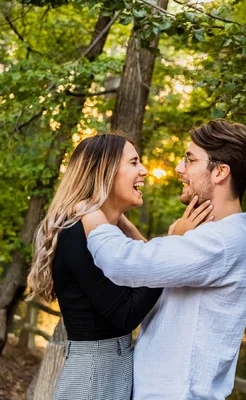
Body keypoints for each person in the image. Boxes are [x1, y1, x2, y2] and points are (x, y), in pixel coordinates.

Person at [81, 119, 246, 399]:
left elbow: (119, 262)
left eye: (189, 159)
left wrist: (88, 209)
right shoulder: (219, 234)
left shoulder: (222, 242)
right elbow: (158, 269)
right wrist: (126, 224)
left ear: (220, 172)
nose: (179, 168)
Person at [27, 133, 209, 399]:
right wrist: (173, 245)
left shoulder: (108, 235)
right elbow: (126, 313)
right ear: (105, 172)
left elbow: (144, 275)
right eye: (134, 163)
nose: (144, 171)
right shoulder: (77, 234)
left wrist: (131, 228)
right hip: (92, 379)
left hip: (111, 371)